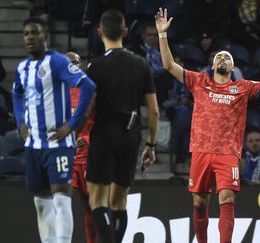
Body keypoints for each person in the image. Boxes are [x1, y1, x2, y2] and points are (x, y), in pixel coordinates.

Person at [155, 8, 260, 243]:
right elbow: (169, 65)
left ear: (232, 68)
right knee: (199, 203)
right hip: (201, 150)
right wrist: (162, 35)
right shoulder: (199, 82)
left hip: (228, 154)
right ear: (212, 64)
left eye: (227, 58)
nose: (222, 59)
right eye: (218, 56)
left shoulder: (242, 87)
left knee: (227, 198)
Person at [12, 17, 96, 243]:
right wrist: (20, 122)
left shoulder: (57, 62)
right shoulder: (22, 67)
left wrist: (71, 125)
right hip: (34, 145)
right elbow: (16, 93)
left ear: (45, 36)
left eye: (35, 33)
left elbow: (88, 86)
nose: (30, 37)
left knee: (61, 199)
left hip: (58, 145)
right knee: (41, 203)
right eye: (26, 33)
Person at [85, 10, 159, 243]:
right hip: (131, 134)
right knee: (119, 202)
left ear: (100, 32)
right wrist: (151, 144)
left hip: (104, 133)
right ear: (125, 32)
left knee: (97, 201)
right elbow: (154, 110)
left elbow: (88, 109)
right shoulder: (140, 64)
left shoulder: (95, 66)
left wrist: (76, 132)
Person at [66, 51, 98, 243]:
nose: (74, 66)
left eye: (77, 62)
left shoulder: (90, 91)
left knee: (89, 204)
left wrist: (87, 138)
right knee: (61, 203)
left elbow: (98, 123)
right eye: (70, 62)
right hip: (64, 157)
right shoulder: (56, 92)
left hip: (86, 157)